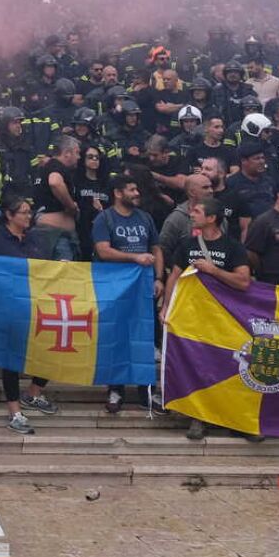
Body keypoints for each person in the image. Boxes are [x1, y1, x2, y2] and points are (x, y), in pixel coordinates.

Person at [160, 195, 253, 440]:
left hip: (226, 320)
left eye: (197, 212)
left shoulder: (233, 247)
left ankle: (238, 421)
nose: (191, 215)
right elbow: (174, 277)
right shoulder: (187, 245)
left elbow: (243, 281)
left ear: (211, 219)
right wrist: (167, 307)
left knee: (231, 368)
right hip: (195, 319)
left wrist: (213, 270)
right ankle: (198, 418)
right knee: (199, 369)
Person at [0, 191, 58, 432]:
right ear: (9, 215)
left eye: (30, 212)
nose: (29, 216)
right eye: (24, 212)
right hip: (6, 308)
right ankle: (14, 411)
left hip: (37, 306)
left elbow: (44, 268)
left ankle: (33, 393)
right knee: (10, 359)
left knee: (51, 350)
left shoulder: (36, 238)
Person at [92, 176, 157, 413]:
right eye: (132, 189)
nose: (137, 192)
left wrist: (158, 277)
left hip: (142, 286)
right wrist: (134, 258)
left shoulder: (145, 217)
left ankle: (146, 390)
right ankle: (115, 389)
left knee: (143, 336)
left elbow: (156, 247)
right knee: (115, 336)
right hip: (113, 286)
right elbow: (103, 251)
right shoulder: (104, 218)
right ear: (118, 193)